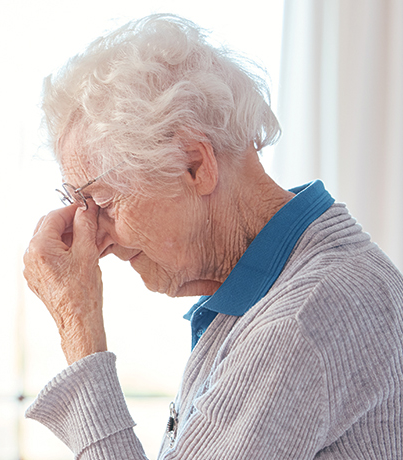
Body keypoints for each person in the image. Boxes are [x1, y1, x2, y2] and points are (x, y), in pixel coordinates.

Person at [23, 13, 403, 459]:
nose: (98, 242)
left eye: (103, 203)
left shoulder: (301, 319)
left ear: (195, 164)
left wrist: (79, 331)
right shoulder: (286, 290)